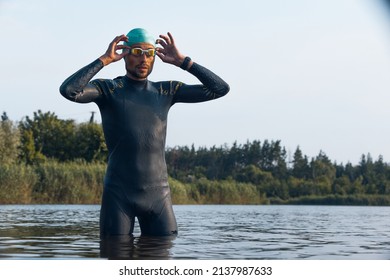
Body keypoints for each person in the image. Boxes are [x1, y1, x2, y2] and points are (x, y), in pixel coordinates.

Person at [60, 28, 230, 237]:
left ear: (155, 57)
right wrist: (104, 60)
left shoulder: (166, 91)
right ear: (124, 53)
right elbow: (70, 91)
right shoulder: (108, 89)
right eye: (137, 51)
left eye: (149, 53)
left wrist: (183, 62)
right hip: (118, 196)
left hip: (159, 196)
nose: (143, 58)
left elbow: (219, 89)